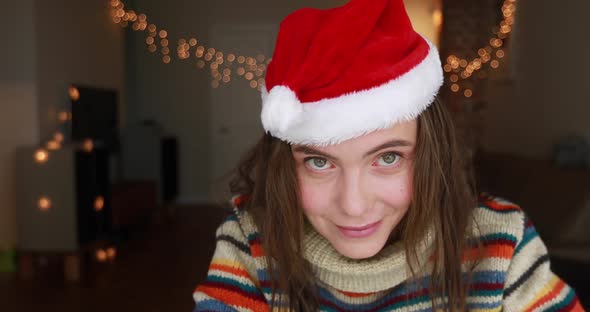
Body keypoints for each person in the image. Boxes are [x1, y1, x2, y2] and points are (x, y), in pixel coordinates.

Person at [193, 0, 583, 311]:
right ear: (285, 166)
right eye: (319, 162)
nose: (354, 205)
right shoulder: (251, 244)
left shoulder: (502, 244)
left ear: (430, 152)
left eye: (388, 158)